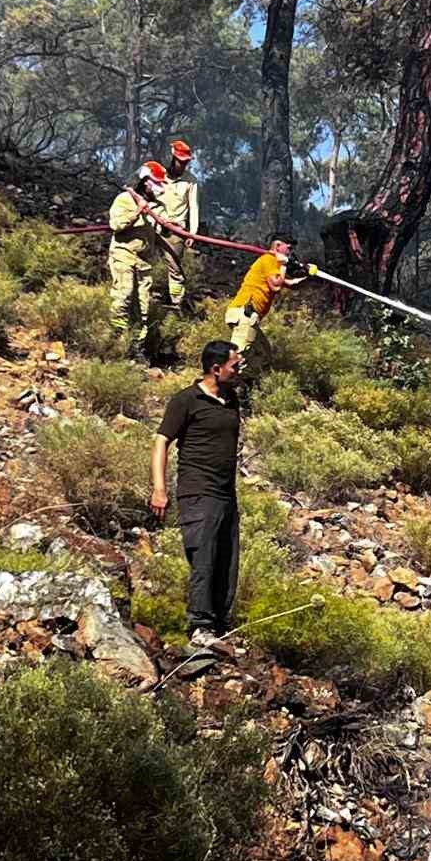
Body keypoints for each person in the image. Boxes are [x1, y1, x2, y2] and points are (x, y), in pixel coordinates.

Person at [152, 338, 243, 652]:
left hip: (225, 493)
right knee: (203, 556)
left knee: (227, 560)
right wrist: (159, 489)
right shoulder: (186, 400)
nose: (239, 370)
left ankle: (219, 625)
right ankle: (200, 626)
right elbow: (162, 442)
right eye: (235, 365)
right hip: (197, 491)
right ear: (216, 369)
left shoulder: (231, 399)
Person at [224, 237, 312, 361]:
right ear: (277, 246)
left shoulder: (273, 265)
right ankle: (216, 379)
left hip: (247, 317)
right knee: (236, 359)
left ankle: (246, 380)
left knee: (263, 357)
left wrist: (309, 275)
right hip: (245, 314)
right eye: (289, 248)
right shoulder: (269, 259)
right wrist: (284, 265)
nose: (290, 253)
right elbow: (276, 286)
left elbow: (292, 284)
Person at [108, 160, 166, 346]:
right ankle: (115, 339)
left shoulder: (157, 206)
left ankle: (135, 345)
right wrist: (137, 212)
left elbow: (159, 232)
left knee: (143, 305)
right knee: (124, 295)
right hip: (123, 255)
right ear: (144, 181)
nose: (158, 188)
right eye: (155, 183)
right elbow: (116, 226)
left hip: (143, 261)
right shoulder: (125, 199)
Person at [152, 139, 198, 309]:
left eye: (186, 162)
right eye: (180, 161)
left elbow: (193, 207)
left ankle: (177, 303)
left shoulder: (191, 181)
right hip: (153, 226)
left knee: (174, 267)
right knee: (143, 260)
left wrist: (192, 233)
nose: (183, 165)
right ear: (173, 158)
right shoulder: (159, 174)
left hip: (176, 230)